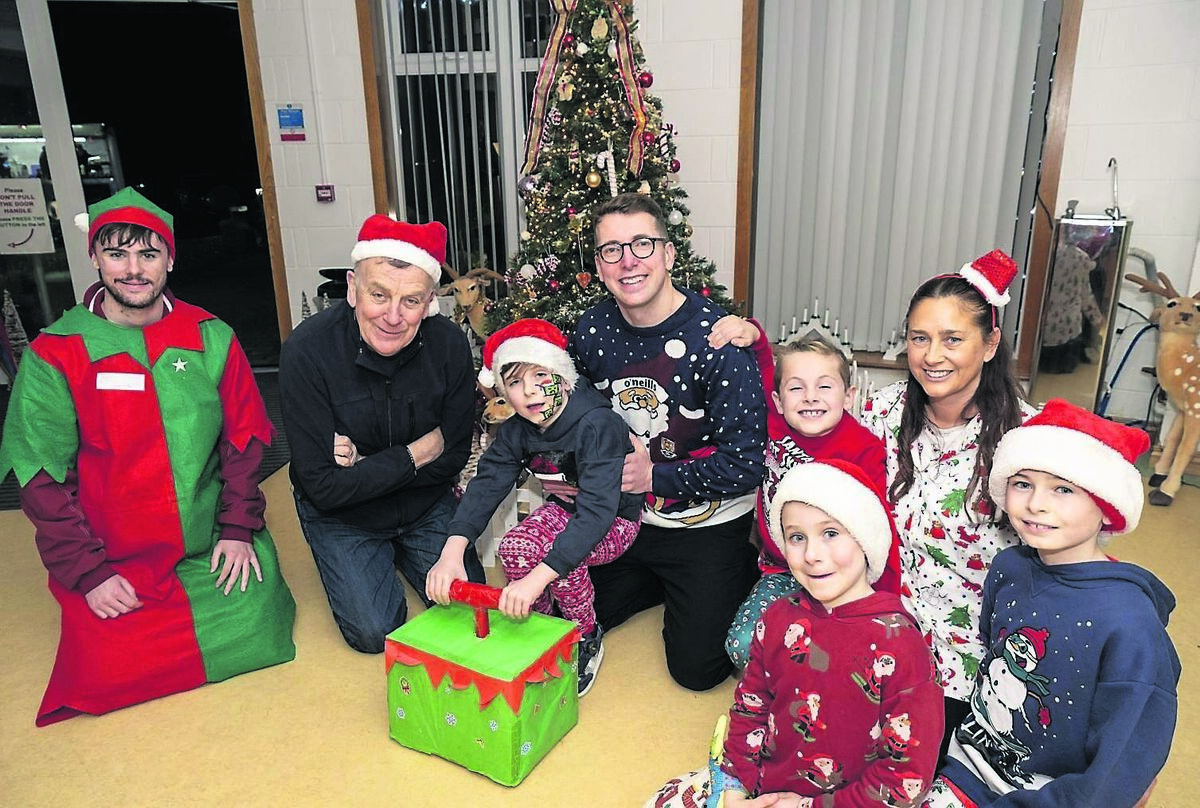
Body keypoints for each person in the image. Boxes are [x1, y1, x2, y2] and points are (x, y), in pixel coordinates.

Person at [0, 187, 296, 726]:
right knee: (104, 669)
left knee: (264, 622)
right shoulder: (55, 352)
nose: (133, 270)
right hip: (114, 558)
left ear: (170, 259)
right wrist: (88, 574)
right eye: (117, 254)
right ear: (94, 257)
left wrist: (236, 528)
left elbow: (245, 444)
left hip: (207, 542)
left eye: (148, 254)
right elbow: (40, 479)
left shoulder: (212, 337)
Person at [923, 399, 1180, 807]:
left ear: (1106, 506)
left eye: (1063, 489)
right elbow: (993, 648)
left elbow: (1120, 770)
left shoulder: (1130, 624)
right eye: (1023, 483)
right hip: (965, 767)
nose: (1036, 503)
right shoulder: (1009, 567)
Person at [647, 460, 943, 807]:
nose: (813, 555)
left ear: (865, 537)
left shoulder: (903, 643)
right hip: (767, 789)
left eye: (830, 533)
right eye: (797, 537)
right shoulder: (776, 618)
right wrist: (735, 787)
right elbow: (750, 710)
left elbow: (904, 779)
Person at [569, 192, 767, 692]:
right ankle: (655, 582)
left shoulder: (716, 340)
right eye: (611, 250)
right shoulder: (591, 331)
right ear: (598, 264)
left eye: (642, 244)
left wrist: (654, 475)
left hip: (708, 523)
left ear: (669, 254)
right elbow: (574, 420)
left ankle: (731, 577)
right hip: (625, 517)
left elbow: (747, 463)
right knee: (561, 609)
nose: (628, 260)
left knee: (696, 671)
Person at [279, 214, 485, 654]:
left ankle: (402, 552)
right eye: (378, 294)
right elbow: (323, 486)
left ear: (431, 300)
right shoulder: (305, 351)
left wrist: (363, 467)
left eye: (411, 301)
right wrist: (414, 454)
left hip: (425, 504)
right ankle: (369, 559)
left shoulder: (449, 345)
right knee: (376, 633)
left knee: (467, 610)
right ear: (352, 287)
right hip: (343, 517)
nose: (393, 316)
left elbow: (451, 457)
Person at [861, 250, 1037, 754]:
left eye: (952, 339)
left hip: (969, 648)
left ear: (990, 344)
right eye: (920, 338)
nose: (932, 356)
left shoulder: (1025, 438)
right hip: (881, 618)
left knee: (915, 766)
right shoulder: (884, 410)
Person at [426, 318, 642, 696]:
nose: (529, 393)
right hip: (565, 509)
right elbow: (488, 483)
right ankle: (539, 627)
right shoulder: (517, 430)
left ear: (561, 374)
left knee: (559, 561)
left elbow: (596, 514)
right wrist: (452, 549)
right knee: (514, 547)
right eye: (513, 382)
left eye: (540, 375)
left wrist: (539, 575)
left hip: (614, 519)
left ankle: (583, 634)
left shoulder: (598, 424)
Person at [707, 320, 896, 668]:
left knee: (839, 656)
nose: (810, 396)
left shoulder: (863, 449)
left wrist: (883, 596)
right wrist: (758, 339)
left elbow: (877, 527)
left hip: (842, 577)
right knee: (744, 645)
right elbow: (764, 370)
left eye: (825, 386)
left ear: (849, 397)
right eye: (797, 389)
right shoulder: (775, 423)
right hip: (780, 570)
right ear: (778, 401)